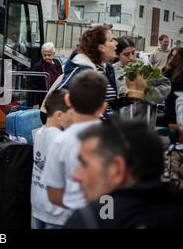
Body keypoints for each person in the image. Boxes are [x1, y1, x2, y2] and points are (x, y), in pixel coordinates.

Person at [65, 120, 183, 228]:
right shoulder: (174, 208)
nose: (76, 176)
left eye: (84, 164)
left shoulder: (88, 220)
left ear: (117, 168)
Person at [43, 70, 107, 212]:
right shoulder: (116, 141)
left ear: (68, 100)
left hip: (70, 218)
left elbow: (53, 194)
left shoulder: (59, 141)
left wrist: (77, 211)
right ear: (103, 106)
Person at [31, 89, 73, 229]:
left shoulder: (38, 134)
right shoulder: (61, 139)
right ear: (59, 115)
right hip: (56, 213)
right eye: (70, 114)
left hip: (38, 206)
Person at [57, 25, 118, 116]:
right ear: (101, 47)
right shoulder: (82, 68)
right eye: (111, 40)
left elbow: (109, 104)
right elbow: (59, 98)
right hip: (90, 127)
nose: (116, 43)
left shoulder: (107, 68)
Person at [161, 48, 183, 126]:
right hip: (169, 111)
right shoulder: (169, 70)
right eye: (171, 55)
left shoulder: (178, 74)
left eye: (174, 56)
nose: (171, 58)